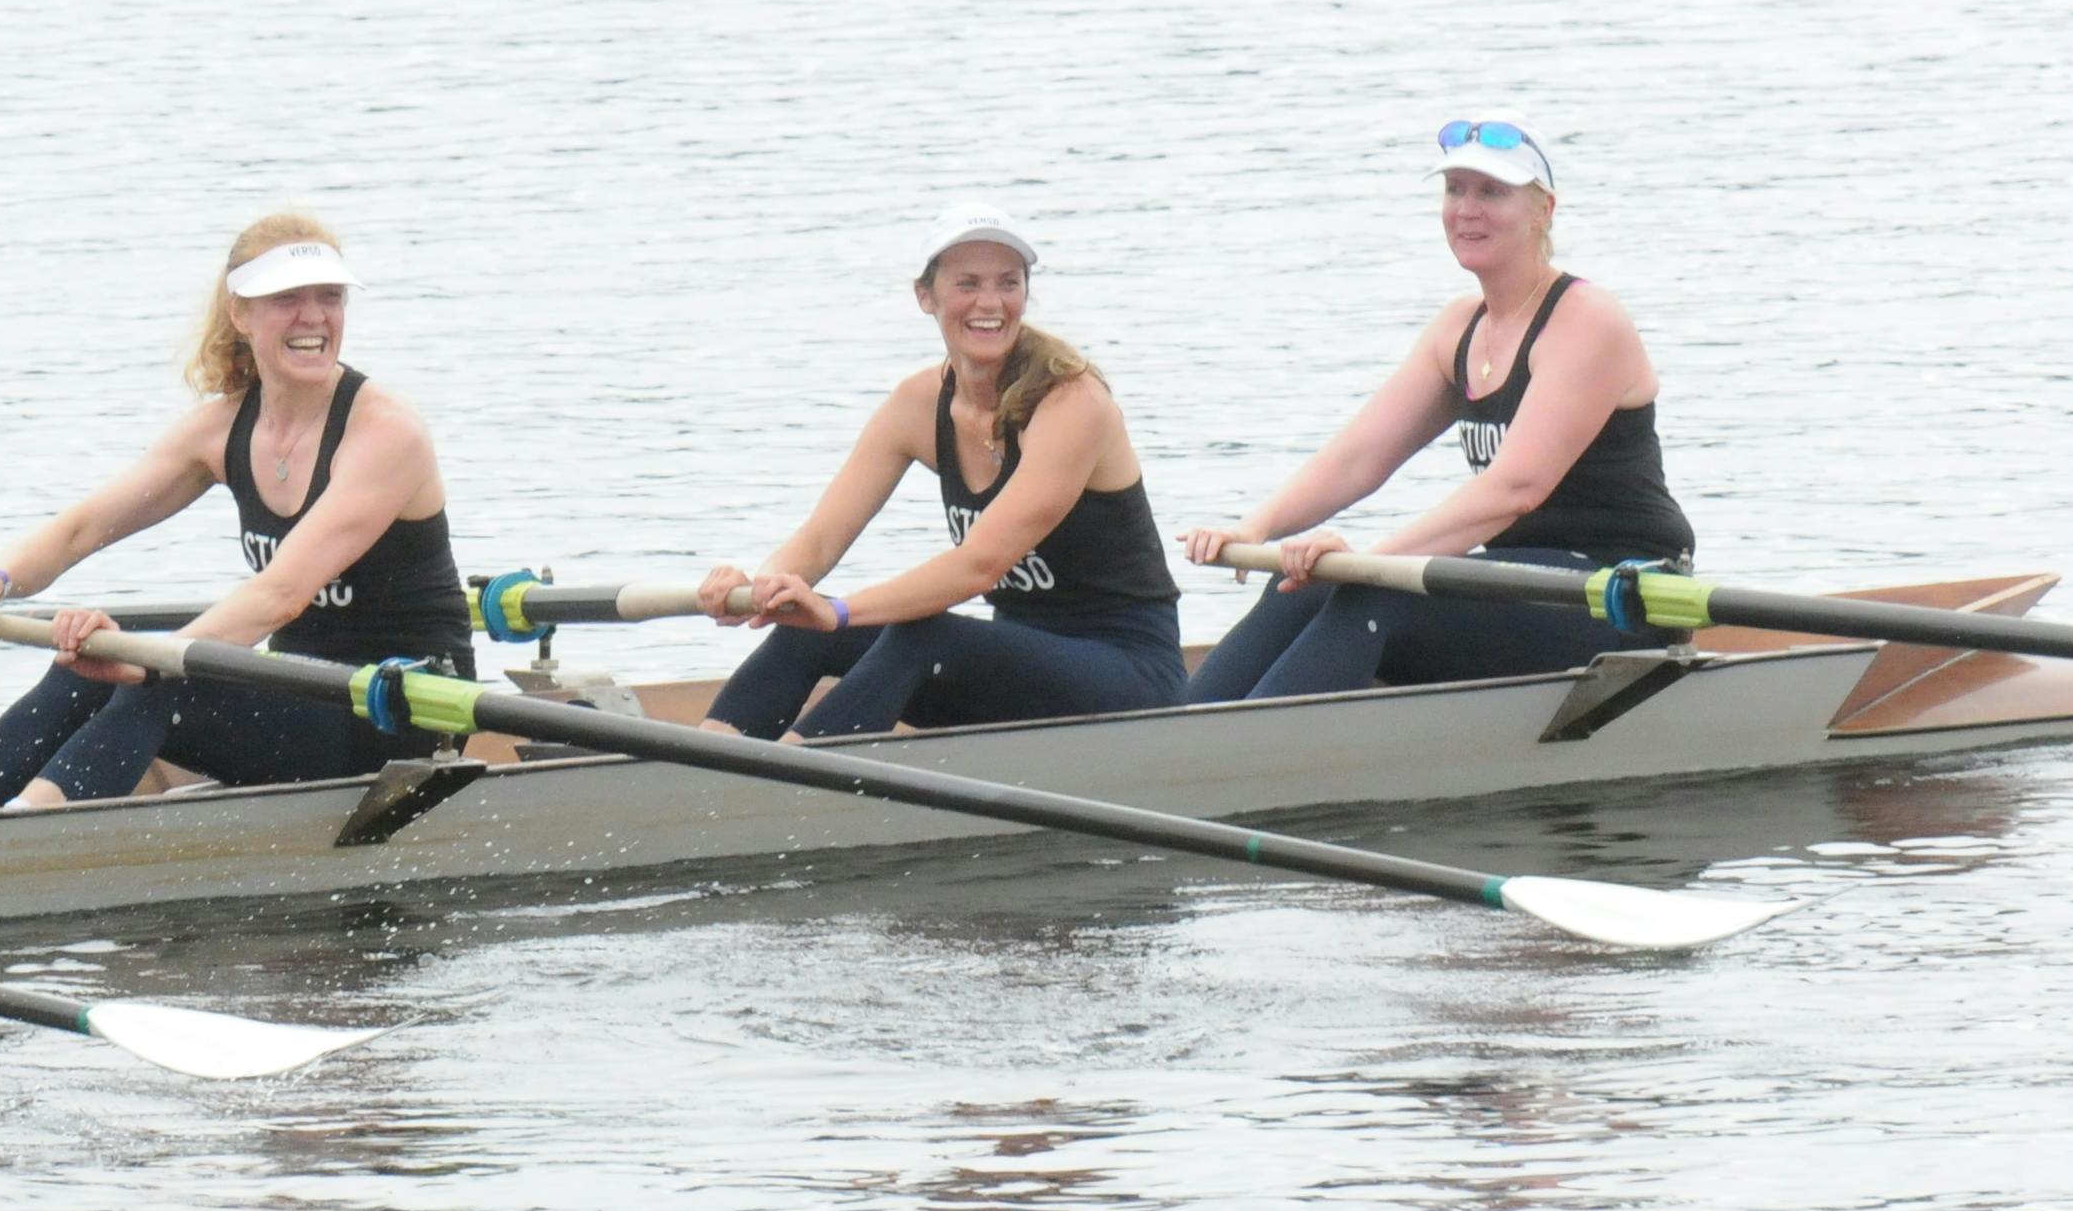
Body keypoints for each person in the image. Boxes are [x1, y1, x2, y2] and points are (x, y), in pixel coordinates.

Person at [1177, 123, 1699, 701]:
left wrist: (1367, 564)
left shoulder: (1585, 321)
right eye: (1456, 190)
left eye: (1492, 193)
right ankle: (1172, 739)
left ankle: (1239, 763)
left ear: (1543, 210)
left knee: (1372, 591)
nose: (1467, 210)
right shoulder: (1458, 328)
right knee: (1299, 585)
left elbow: (1514, 490)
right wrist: (1259, 526)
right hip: (1524, 581)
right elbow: (1358, 459)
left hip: (1621, 596)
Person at [0, 217, 474, 808]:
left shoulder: (386, 434)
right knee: (84, 669)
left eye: (330, 297)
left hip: (401, 714)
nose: (313, 317)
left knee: (152, 682)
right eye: (287, 298)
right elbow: (81, 529)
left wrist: (146, 664)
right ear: (240, 313)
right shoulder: (220, 429)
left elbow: (280, 596)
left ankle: (14, 842)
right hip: (300, 692)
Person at [689, 216, 1190, 745]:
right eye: (967, 284)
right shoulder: (917, 403)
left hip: (1131, 680)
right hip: (1017, 669)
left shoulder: (1072, 402)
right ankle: (701, 772)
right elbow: (820, 538)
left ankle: (779, 794)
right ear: (925, 296)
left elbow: (980, 564)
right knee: (805, 635)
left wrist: (835, 611)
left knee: (921, 633)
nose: (991, 303)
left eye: (1008, 283)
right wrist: (765, 589)